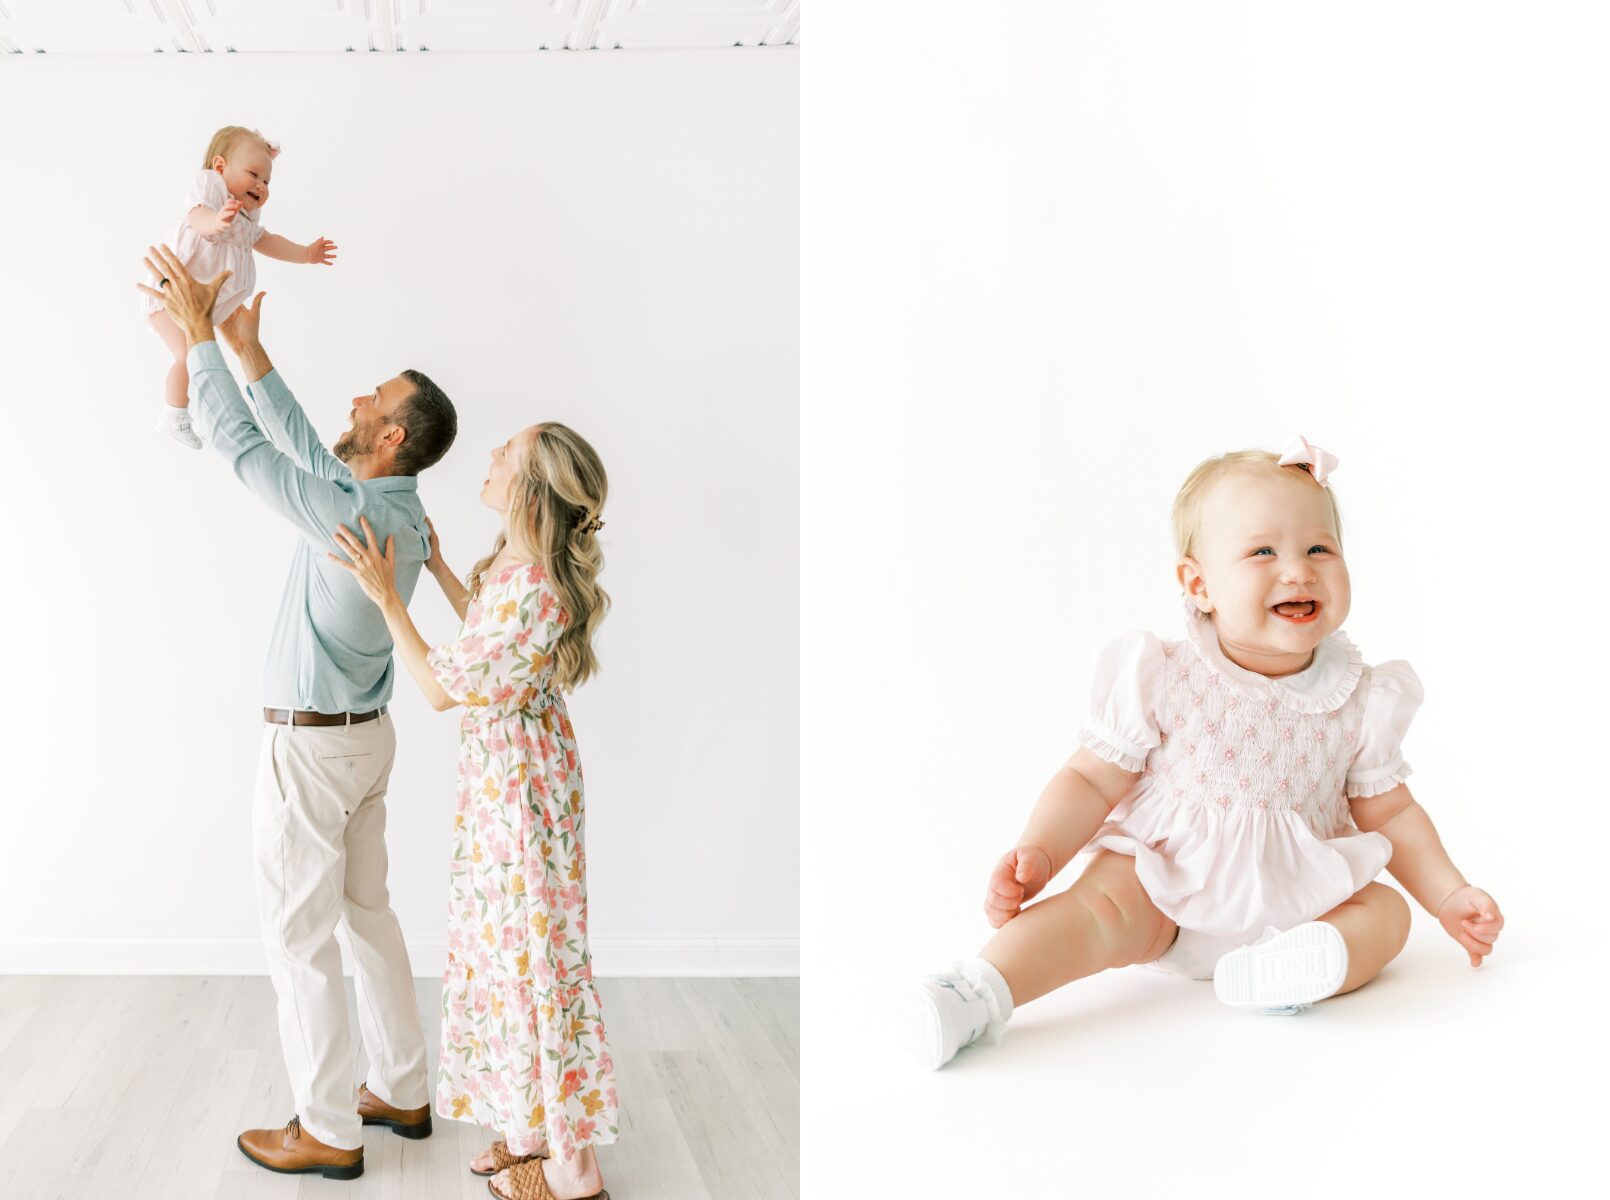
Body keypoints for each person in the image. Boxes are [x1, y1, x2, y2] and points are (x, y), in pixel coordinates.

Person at [899, 435, 1506, 1070]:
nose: (1298, 569)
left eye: (1320, 548)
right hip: (1162, 886)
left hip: (1298, 903)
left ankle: (1285, 971)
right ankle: (975, 993)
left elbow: (1393, 814)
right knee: (1093, 909)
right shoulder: (1164, 673)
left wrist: (1446, 894)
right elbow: (1089, 778)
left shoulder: (1361, 695)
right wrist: (1043, 851)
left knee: (1386, 913)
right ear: (1199, 584)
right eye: (1262, 551)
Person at [136, 244, 456, 1178]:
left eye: (374, 402)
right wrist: (247, 349)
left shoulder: (348, 515)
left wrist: (199, 339)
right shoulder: (386, 505)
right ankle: (401, 1088)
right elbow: (314, 453)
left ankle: (328, 1128)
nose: (357, 402)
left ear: (394, 437)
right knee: (366, 916)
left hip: (312, 756)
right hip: (366, 745)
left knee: (298, 938)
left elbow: (244, 451)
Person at [329, 420, 619, 1199]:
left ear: (530, 487)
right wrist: (448, 569)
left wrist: (388, 595)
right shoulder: (523, 573)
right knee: (510, 953)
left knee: (534, 960)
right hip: (513, 783)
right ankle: (531, 1130)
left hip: (521, 795)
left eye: (505, 456)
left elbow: (439, 687)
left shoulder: (537, 588)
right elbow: (485, 635)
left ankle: (574, 1168)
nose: (488, 459)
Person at [141, 126, 337, 448]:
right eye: (254, 174)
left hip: (199, 309)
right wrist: (216, 222)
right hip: (170, 296)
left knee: (199, 356)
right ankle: (173, 415)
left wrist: (305, 254)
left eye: (267, 181)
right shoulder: (210, 190)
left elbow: (266, 241)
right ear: (220, 168)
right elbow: (197, 216)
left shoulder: (247, 217)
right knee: (190, 356)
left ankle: (188, 411)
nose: (261, 185)